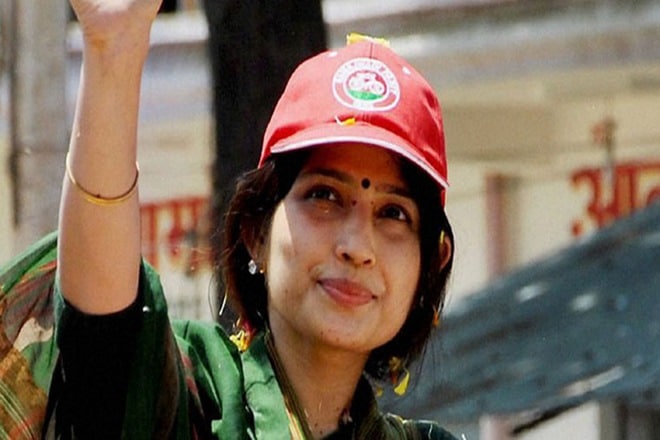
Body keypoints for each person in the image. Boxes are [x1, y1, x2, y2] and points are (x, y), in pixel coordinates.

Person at [2, 0, 457, 438]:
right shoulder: (186, 402)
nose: (356, 246)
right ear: (256, 231)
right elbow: (103, 337)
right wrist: (113, 52)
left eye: (393, 213)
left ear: (429, 265)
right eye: (324, 196)